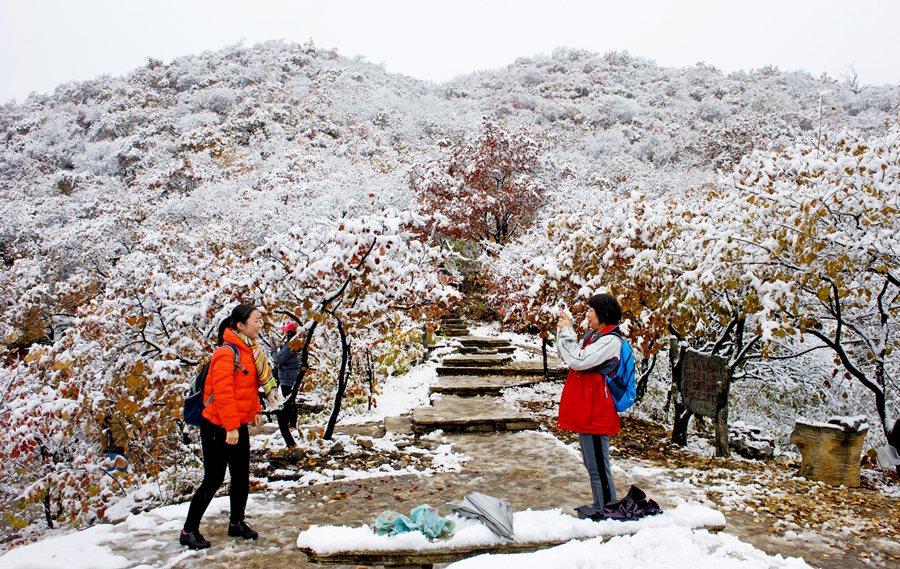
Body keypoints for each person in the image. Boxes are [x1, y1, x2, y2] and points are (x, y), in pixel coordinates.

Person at [180, 304, 283, 550]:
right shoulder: (226, 353)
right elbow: (223, 392)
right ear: (240, 325)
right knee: (214, 479)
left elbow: (246, 389)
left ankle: (236, 523)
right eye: (256, 321)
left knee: (240, 476)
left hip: (237, 422)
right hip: (217, 425)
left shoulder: (250, 351)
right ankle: (189, 530)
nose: (260, 325)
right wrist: (230, 426)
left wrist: (255, 411)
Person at [556, 293, 625, 518]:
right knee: (591, 464)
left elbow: (579, 360)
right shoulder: (596, 336)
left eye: (591, 311)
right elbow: (571, 356)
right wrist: (563, 330)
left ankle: (606, 511)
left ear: (603, 314)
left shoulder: (610, 341)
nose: (587, 315)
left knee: (599, 468)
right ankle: (601, 506)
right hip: (588, 409)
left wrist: (567, 331)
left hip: (596, 412)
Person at [270, 321, 302, 450]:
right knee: (291, 400)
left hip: (287, 378)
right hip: (294, 376)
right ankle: (292, 424)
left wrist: (273, 349)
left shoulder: (290, 346)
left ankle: (288, 424)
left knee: (288, 401)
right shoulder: (297, 344)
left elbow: (279, 359)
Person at [97, 398, 134, 473]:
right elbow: (103, 436)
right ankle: (113, 482)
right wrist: (105, 450)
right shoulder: (105, 419)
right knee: (113, 468)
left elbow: (132, 420)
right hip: (118, 446)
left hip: (125, 445)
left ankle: (119, 482)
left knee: (121, 468)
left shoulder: (119, 412)